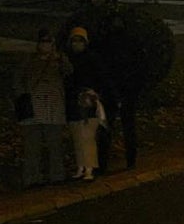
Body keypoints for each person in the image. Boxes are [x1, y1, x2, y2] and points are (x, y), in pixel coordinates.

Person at [13, 29, 72, 188]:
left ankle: (57, 175)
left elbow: (69, 73)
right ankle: (32, 178)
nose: (46, 45)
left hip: (54, 107)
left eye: (49, 42)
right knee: (32, 145)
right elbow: (17, 81)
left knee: (55, 145)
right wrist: (23, 96)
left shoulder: (59, 61)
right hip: (33, 107)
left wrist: (60, 60)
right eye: (43, 42)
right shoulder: (28, 61)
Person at [64, 27, 114, 181]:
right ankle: (81, 166)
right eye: (74, 41)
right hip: (73, 100)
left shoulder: (92, 58)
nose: (76, 44)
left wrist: (96, 93)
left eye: (80, 41)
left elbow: (102, 79)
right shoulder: (67, 60)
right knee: (78, 135)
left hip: (88, 100)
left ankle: (89, 168)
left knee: (88, 136)